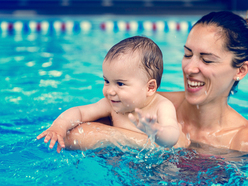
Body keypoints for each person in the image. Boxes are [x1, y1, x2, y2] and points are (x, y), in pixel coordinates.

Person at [53, 11, 248, 153]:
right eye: (187, 54)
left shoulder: (241, 141)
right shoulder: (145, 102)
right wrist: (146, 142)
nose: (189, 68)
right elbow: (74, 136)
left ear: (240, 71)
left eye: (206, 59)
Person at [37, 36, 180, 153]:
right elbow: (80, 112)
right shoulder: (110, 104)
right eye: (106, 81)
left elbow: (173, 135)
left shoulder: (161, 106)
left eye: (120, 84)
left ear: (150, 87)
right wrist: (59, 127)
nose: (110, 91)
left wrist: (156, 131)